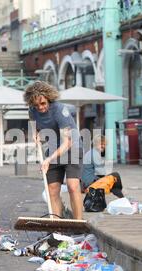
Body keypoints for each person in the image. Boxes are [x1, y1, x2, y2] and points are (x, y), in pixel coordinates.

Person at [25, 81, 83, 221]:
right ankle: (57, 226)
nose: (41, 108)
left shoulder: (59, 110)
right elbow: (33, 122)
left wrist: (49, 160)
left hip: (71, 150)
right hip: (52, 151)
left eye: (43, 103)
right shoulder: (33, 111)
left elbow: (66, 143)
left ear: (49, 99)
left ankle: (78, 223)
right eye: (37, 105)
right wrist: (35, 133)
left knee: (72, 186)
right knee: (52, 190)